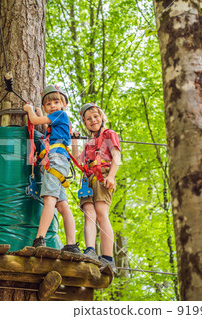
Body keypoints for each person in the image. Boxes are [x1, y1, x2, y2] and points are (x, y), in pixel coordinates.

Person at [23, 85, 80, 253]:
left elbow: (34, 121)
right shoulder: (57, 121)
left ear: (64, 105)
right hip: (58, 161)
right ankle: (71, 244)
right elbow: (46, 126)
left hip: (56, 160)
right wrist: (41, 114)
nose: (53, 106)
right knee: (62, 205)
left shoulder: (60, 115)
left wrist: (29, 110)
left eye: (56, 102)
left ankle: (40, 238)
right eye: (49, 104)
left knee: (49, 199)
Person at [71, 103, 121, 273]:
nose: (93, 120)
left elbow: (117, 156)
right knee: (89, 215)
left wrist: (111, 176)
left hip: (103, 175)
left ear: (101, 118)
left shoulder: (109, 134)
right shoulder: (89, 143)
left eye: (95, 117)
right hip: (88, 179)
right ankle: (90, 250)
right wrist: (74, 141)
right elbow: (78, 160)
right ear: (85, 123)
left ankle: (108, 258)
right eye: (88, 119)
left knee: (101, 214)